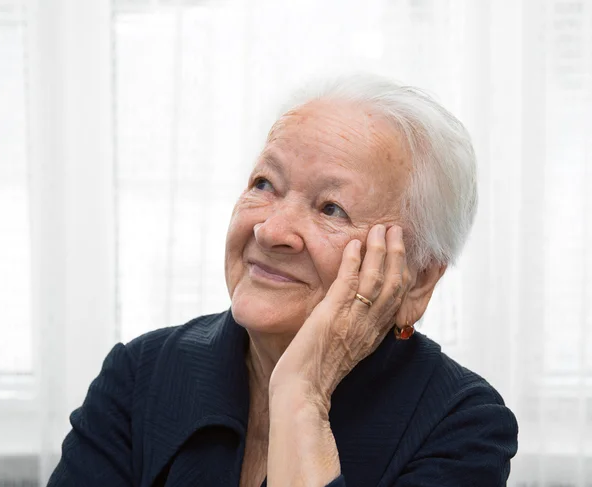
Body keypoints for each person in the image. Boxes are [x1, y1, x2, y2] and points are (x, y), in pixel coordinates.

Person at [48, 74, 518, 487]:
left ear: (416, 281)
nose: (270, 230)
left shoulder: (461, 425)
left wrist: (301, 393)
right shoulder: (141, 375)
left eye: (331, 208)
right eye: (264, 184)